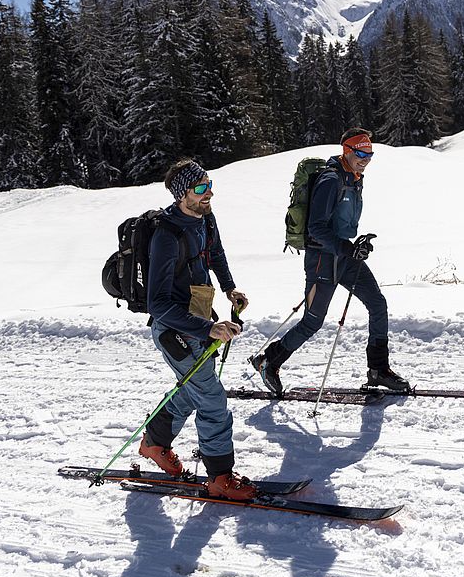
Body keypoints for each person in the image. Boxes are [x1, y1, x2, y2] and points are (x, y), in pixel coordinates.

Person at [251, 128, 410, 395]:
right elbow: (316, 228)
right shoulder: (330, 179)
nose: (366, 158)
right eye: (361, 152)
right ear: (346, 150)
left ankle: (378, 369)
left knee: (377, 304)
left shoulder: (354, 178)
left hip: (344, 258)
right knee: (313, 321)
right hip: (322, 260)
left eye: (370, 153)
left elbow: (341, 224)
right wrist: (348, 248)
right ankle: (269, 361)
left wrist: (357, 246)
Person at [141, 158, 255, 500]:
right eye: (201, 189)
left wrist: (230, 288)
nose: (209, 194)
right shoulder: (166, 236)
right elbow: (158, 304)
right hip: (175, 329)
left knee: (195, 390)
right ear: (182, 195)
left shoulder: (205, 218)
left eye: (210, 186)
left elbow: (215, 254)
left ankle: (155, 443)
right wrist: (207, 330)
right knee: (212, 400)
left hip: (201, 318)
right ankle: (220, 477)